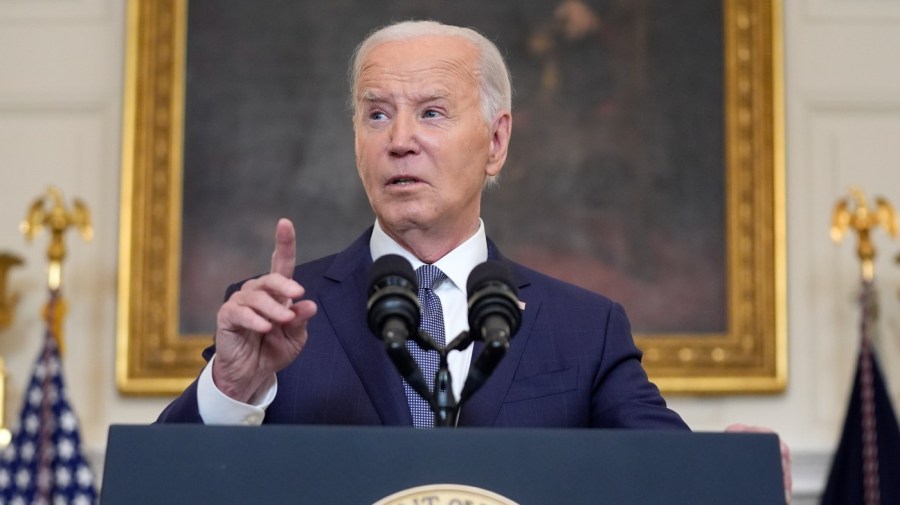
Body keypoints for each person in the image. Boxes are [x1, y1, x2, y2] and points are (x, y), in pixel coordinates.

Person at [156, 19, 791, 500]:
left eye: (430, 113)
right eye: (377, 115)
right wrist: (231, 390)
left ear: (495, 141)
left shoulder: (582, 328)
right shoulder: (278, 314)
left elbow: (670, 481)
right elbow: (164, 486)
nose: (400, 141)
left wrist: (737, 476)